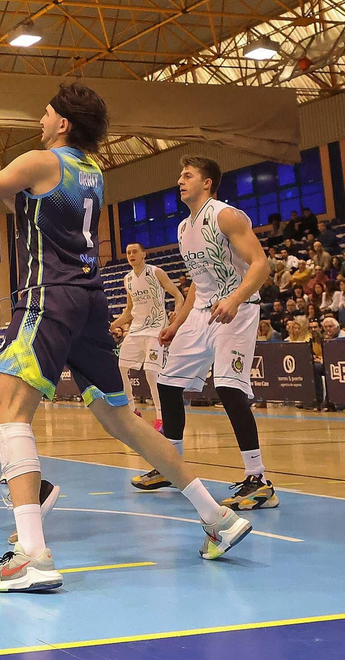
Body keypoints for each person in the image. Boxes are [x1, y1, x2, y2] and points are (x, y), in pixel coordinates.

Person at [0, 92, 250, 592]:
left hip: (48, 297)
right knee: (118, 415)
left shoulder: (40, 160)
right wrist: (7, 182)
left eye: (44, 112)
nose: (39, 117)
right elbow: (40, 209)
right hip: (88, 300)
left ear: (61, 121)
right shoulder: (91, 170)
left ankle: (31, 555)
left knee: (9, 414)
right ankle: (218, 518)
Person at [135, 156, 277, 512]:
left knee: (229, 388)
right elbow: (198, 287)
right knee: (167, 384)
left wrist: (234, 299)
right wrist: (176, 323)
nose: (179, 181)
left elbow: (261, 265)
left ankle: (259, 479)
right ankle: (172, 466)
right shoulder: (183, 228)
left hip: (238, 308)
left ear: (207, 183)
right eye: (180, 175)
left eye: (187, 175)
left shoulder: (226, 215)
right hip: (201, 312)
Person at [111, 242, 184, 429]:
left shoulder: (156, 272)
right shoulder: (127, 279)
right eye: (128, 252)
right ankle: (132, 410)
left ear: (144, 254)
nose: (131, 254)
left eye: (135, 251)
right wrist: (113, 324)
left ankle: (161, 417)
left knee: (151, 373)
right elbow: (129, 311)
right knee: (120, 368)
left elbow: (178, 295)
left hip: (155, 329)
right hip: (135, 330)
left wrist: (177, 313)